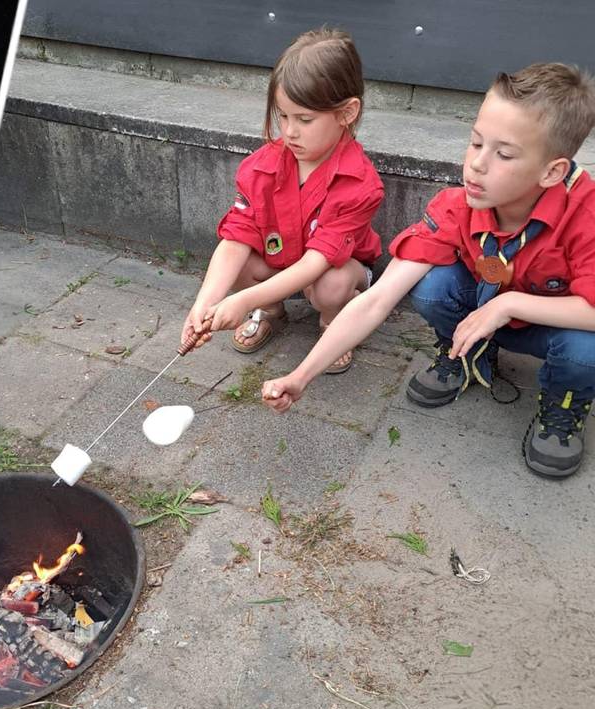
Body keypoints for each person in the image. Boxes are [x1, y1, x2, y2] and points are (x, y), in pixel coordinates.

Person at [262, 63, 595, 479]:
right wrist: (300, 375)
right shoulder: (460, 205)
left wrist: (508, 303)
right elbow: (376, 300)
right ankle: (469, 356)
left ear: (552, 172)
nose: (476, 164)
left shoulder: (586, 214)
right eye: (475, 143)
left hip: (550, 327)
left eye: (503, 154)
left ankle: (563, 408)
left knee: (586, 349)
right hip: (482, 315)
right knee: (432, 286)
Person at [181, 28, 384, 374]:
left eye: (305, 119)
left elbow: (316, 264)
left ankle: (335, 323)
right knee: (240, 260)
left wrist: (242, 300)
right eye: (283, 116)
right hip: (286, 259)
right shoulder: (262, 166)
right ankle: (271, 311)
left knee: (330, 285)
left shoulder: (359, 184)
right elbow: (234, 241)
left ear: (347, 112)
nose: (289, 131)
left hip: (333, 268)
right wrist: (207, 300)